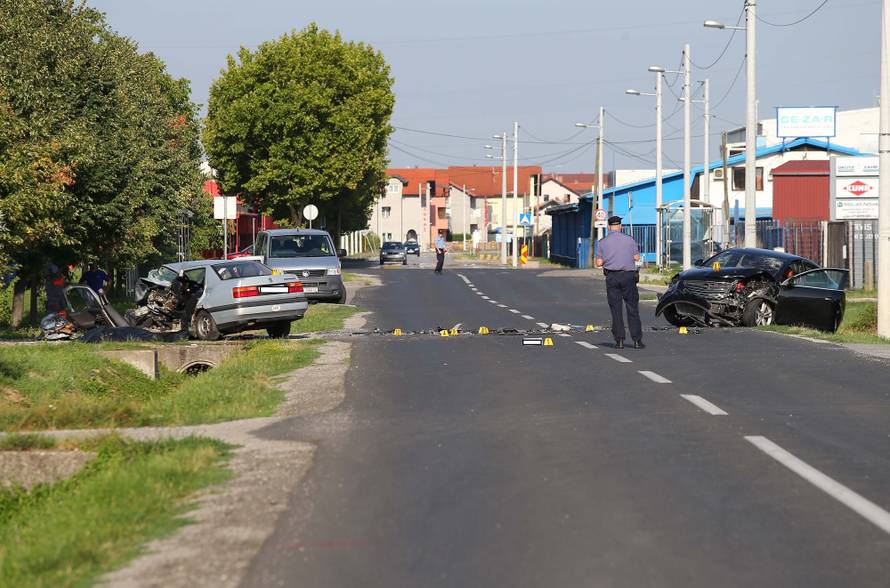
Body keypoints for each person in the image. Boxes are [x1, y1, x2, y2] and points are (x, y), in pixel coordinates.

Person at [595, 216, 644, 349]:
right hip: (629, 277)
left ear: (609, 227)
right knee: (632, 308)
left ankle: (619, 340)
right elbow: (637, 257)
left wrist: (608, 258)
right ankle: (637, 341)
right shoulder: (630, 240)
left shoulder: (602, 242)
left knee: (616, 309)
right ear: (620, 226)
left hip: (612, 277)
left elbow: (598, 263)